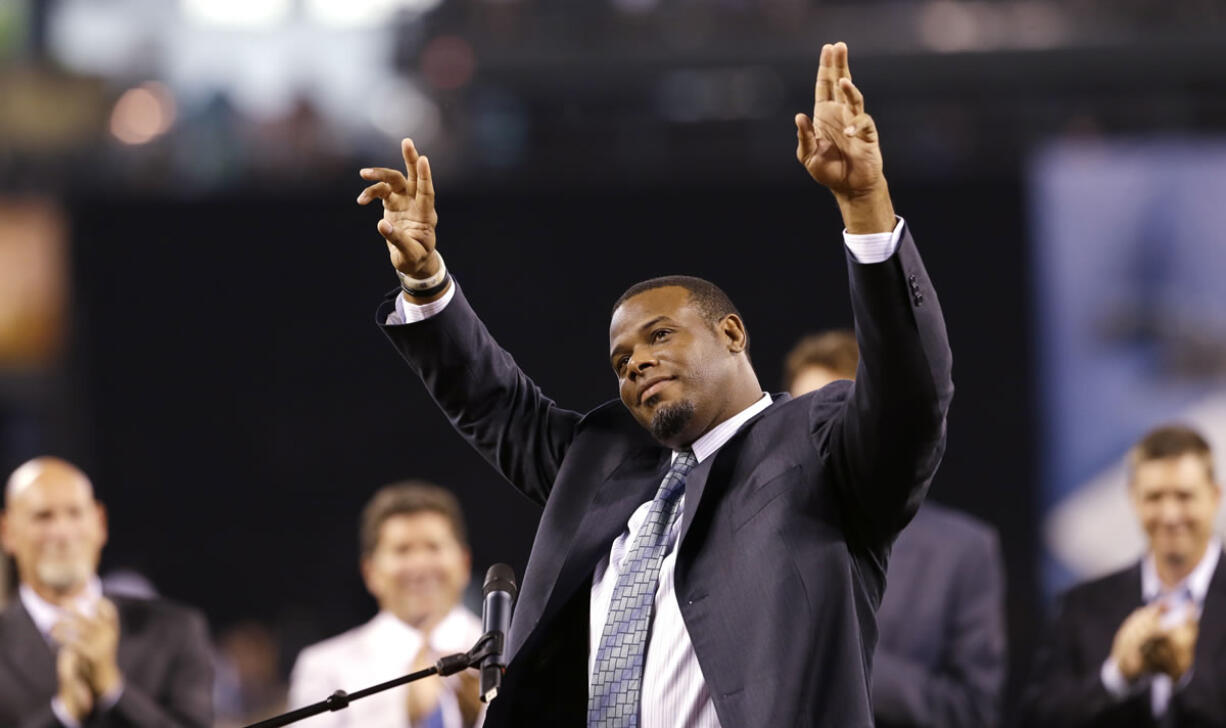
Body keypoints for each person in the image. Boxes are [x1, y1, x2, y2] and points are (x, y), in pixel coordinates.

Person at [360, 41, 953, 726]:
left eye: (660, 335)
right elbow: (495, 404)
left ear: (732, 333)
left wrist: (865, 205)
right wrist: (426, 283)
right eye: (619, 360)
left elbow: (912, 395)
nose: (635, 362)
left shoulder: (817, 445)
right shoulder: (602, 462)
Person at [785, 329, 1006, 728]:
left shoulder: (962, 549)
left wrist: (846, 662)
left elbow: (972, 709)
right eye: (798, 415)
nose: (810, 433)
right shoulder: (758, 535)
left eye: (828, 413)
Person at [1019, 424, 1226, 727]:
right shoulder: (1081, 606)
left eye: (1184, 496)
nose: (1169, 516)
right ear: (1133, 497)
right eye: (1155, 497)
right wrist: (1116, 677)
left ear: (1215, 495)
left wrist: (1183, 678)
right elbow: (1037, 719)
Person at [0, 456, 213, 727]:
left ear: (99, 523)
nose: (62, 532)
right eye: (43, 517)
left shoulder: (175, 630)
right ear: (7, 532)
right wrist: (64, 712)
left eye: (75, 513)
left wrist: (112, 688)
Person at [289, 482, 484, 728]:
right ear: (370, 572)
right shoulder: (325, 667)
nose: (420, 565)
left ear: (465, 562)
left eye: (433, 547)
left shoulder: (512, 653)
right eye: (402, 550)